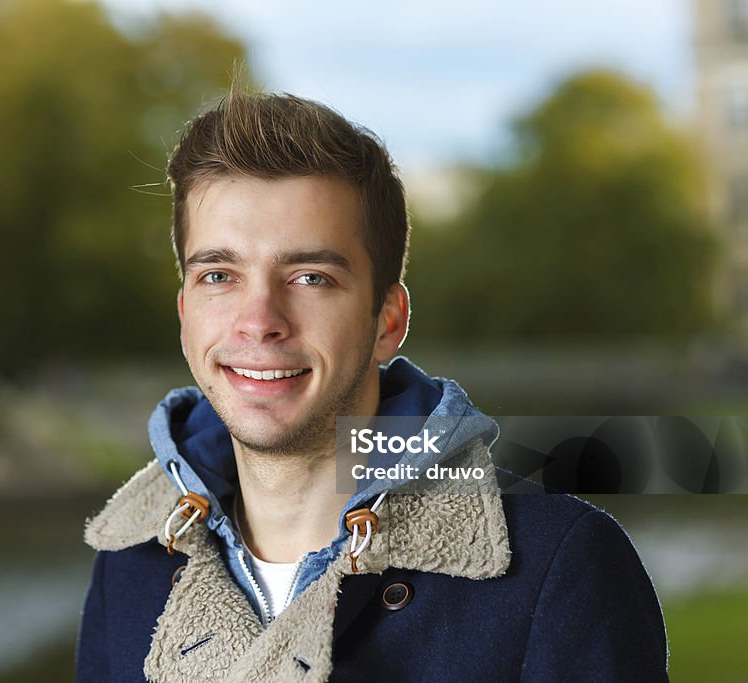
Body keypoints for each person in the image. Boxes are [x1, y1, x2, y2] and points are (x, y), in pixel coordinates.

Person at [76, 89, 668, 682]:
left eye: (310, 276)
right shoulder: (130, 563)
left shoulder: (560, 566)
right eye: (219, 275)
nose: (259, 321)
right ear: (185, 313)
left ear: (388, 321)